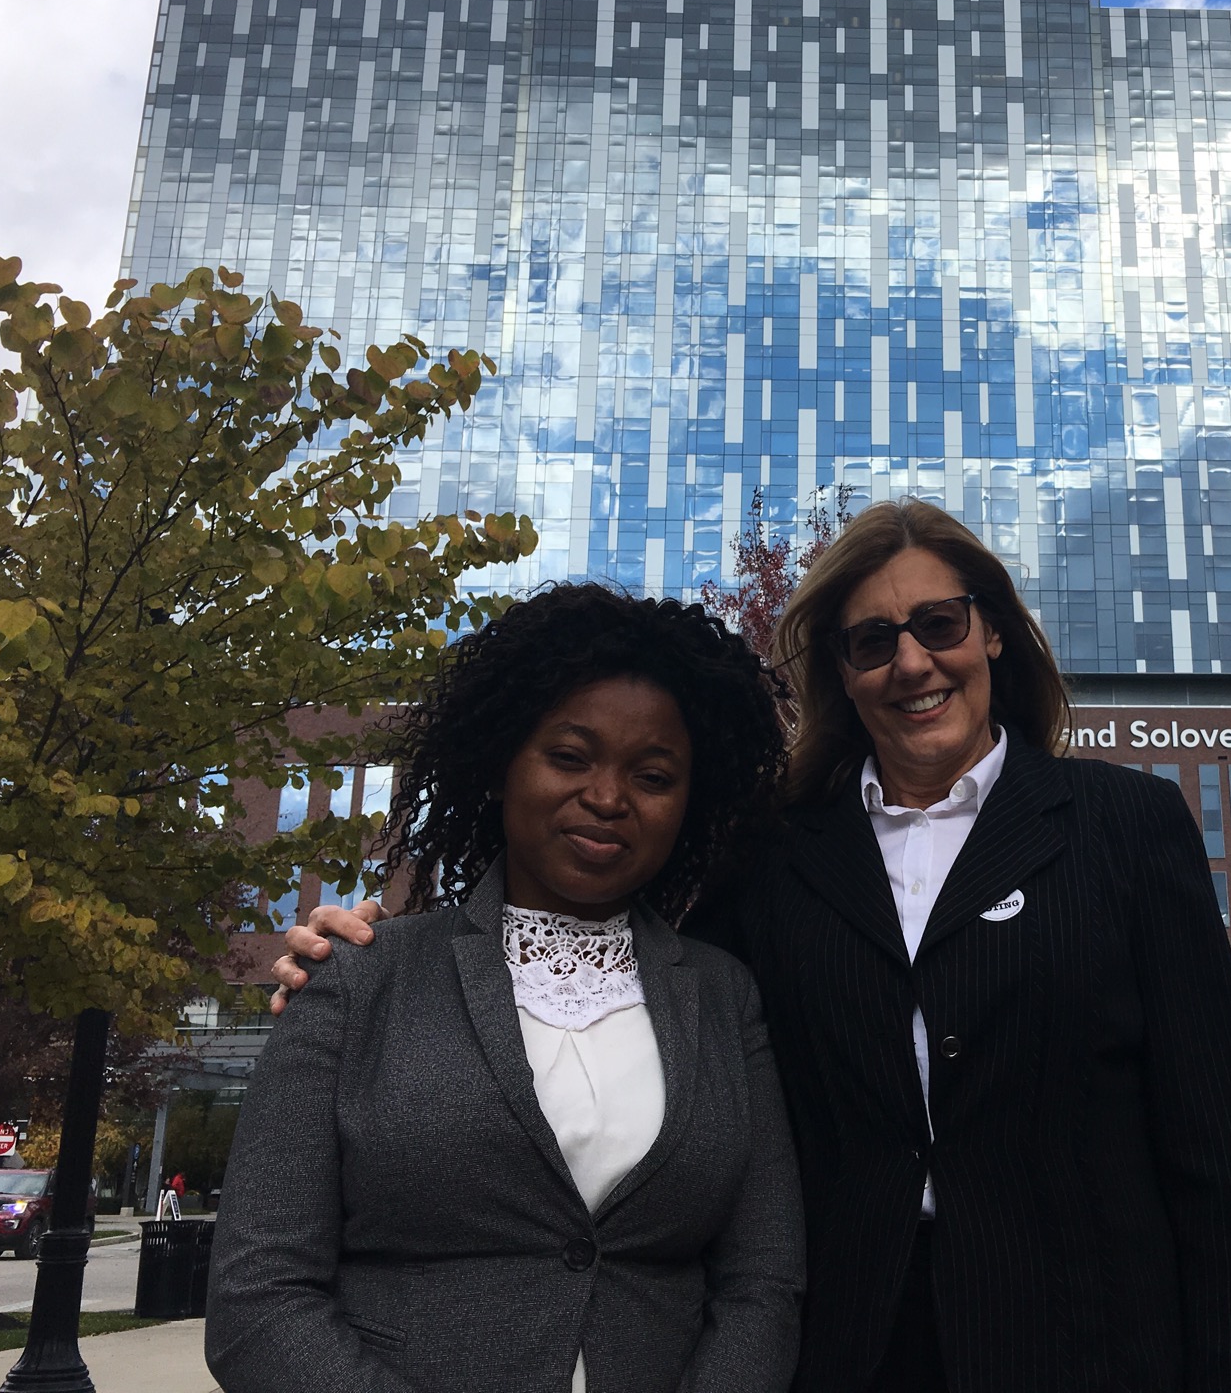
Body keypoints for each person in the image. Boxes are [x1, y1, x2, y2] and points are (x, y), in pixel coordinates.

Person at [280, 501, 1231, 1392]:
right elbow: (610, 971)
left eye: (938, 624)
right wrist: (371, 952)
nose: (910, 662)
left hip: (1089, 1347)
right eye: (869, 642)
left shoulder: (1125, 828)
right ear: (840, 674)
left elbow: (1222, 1159)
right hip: (844, 1348)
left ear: (991, 635)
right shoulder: (769, 858)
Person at [214, 585, 804, 1393]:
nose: (606, 797)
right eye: (569, 757)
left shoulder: (723, 996)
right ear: (501, 765)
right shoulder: (357, 974)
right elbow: (258, 1298)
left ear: (689, 805)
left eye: (654, 775)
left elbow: (763, 1281)